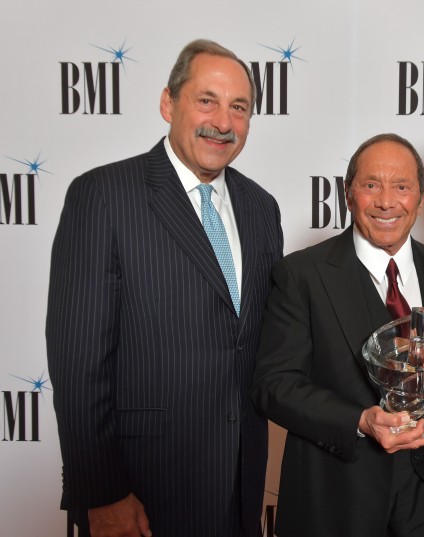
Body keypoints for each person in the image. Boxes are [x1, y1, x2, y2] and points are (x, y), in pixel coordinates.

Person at [46, 39, 282, 537]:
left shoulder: (262, 209)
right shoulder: (102, 196)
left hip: (241, 485)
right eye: (206, 100)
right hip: (141, 491)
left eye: (238, 107)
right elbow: (78, 363)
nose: (222, 121)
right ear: (167, 103)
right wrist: (102, 492)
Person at [250, 133, 424, 537]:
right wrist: (360, 421)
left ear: (422, 195)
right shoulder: (301, 274)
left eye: (402, 186)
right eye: (370, 185)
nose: (386, 201)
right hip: (333, 505)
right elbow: (273, 386)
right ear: (348, 194)